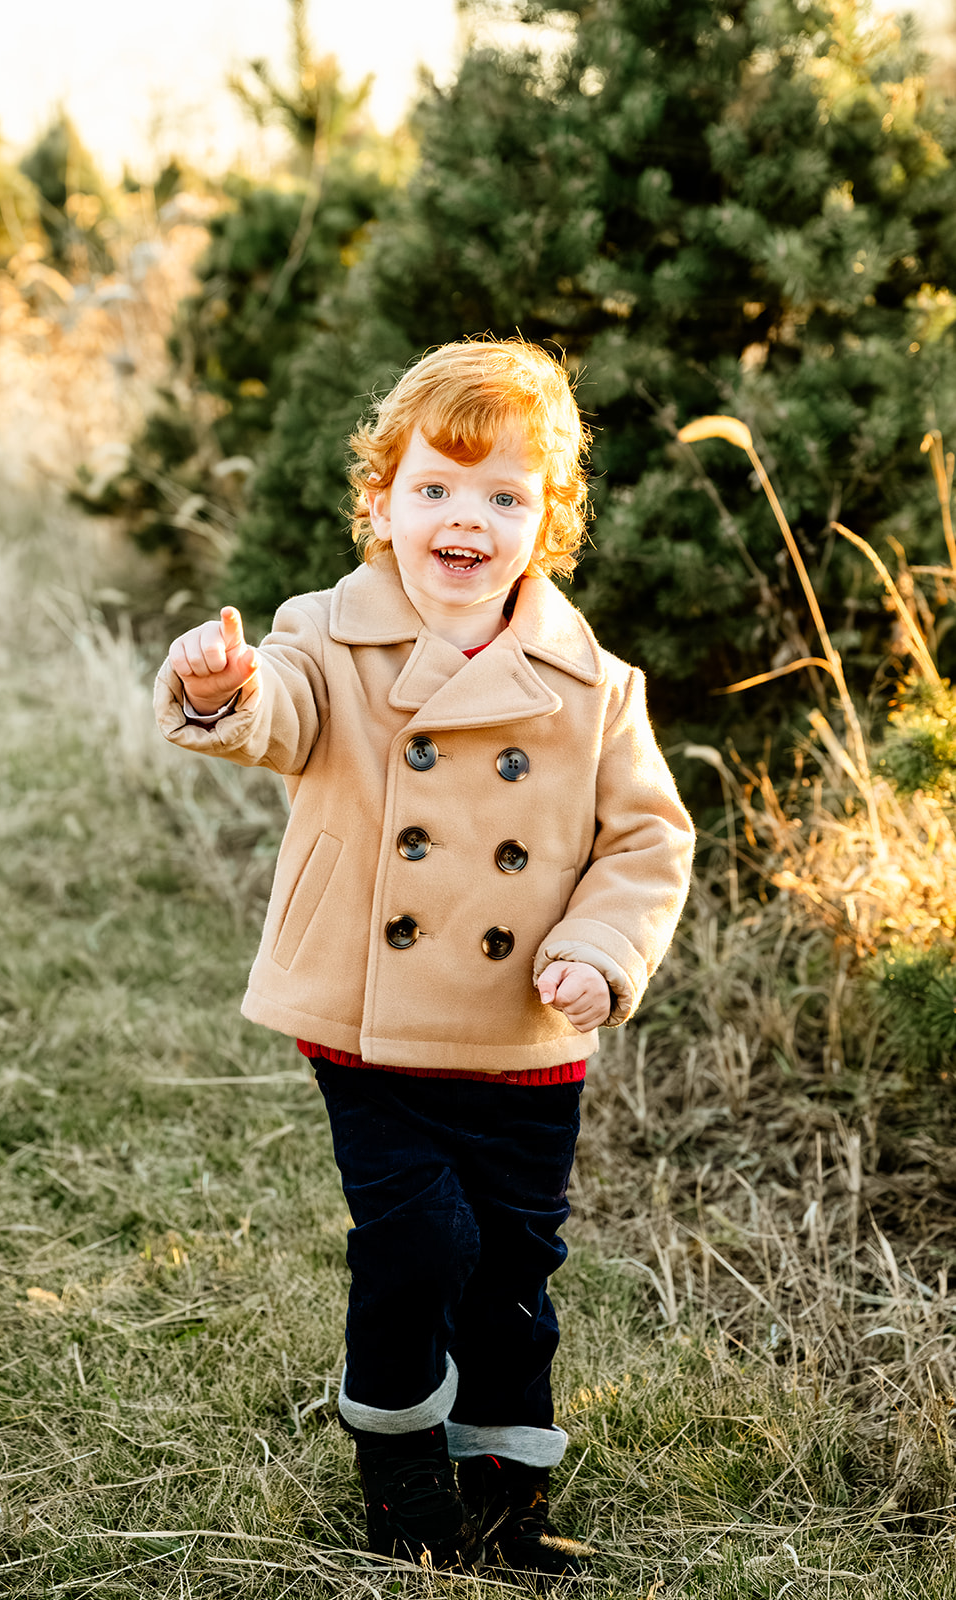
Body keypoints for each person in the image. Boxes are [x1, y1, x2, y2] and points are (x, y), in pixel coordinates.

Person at [154, 338, 695, 1578]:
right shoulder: (321, 637)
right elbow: (273, 712)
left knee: (510, 1266)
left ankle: (503, 1496)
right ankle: (401, 1478)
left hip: (524, 1033)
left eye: (506, 495)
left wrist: (595, 951)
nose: (468, 519)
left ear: (545, 520)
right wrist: (221, 684)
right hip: (369, 1018)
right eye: (437, 488)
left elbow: (645, 842)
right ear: (382, 501)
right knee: (420, 1247)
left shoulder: (593, 686)